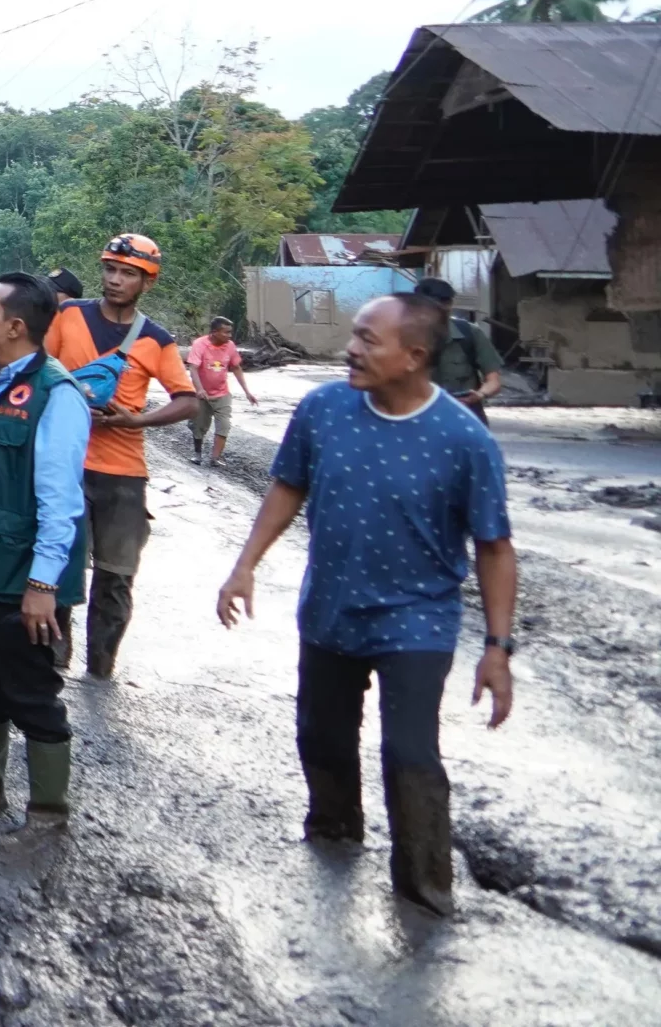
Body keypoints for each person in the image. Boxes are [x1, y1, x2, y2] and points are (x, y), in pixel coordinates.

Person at [215, 292, 516, 916]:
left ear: (414, 356)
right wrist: (244, 566)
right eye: (353, 335)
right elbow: (287, 486)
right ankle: (333, 838)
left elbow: (493, 547)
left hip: (418, 621)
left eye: (367, 340)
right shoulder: (324, 409)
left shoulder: (463, 439)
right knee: (321, 737)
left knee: (410, 753)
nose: (350, 349)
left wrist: (497, 648)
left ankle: (425, 892)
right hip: (330, 610)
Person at [0, 273, 93, 821]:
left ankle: (47, 817)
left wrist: (43, 585)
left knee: (32, 697)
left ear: (16, 326)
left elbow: (61, 501)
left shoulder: (56, 395)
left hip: (18, 579)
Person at [43, 233, 200, 678]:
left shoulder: (155, 339)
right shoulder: (68, 315)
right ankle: (53, 663)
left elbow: (187, 400)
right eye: (110, 269)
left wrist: (135, 421)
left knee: (116, 576)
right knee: (58, 566)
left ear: (147, 283)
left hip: (123, 472)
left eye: (128, 273)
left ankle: (101, 668)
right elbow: (38, 366)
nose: (115, 280)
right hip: (64, 463)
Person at [411, 277, 504, 421]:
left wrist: (480, 395)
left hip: (464, 417)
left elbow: (494, 381)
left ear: (450, 305)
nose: (438, 312)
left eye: (444, 305)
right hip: (419, 419)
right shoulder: (403, 337)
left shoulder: (470, 333)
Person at [186, 316, 256, 465]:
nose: (229, 336)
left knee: (224, 425)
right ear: (214, 332)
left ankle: (215, 458)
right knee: (199, 425)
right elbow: (193, 368)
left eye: (230, 332)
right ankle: (197, 454)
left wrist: (247, 392)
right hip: (202, 394)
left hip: (222, 393)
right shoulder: (200, 344)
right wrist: (199, 389)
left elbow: (236, 367)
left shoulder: (230, 346)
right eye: (226, 332)